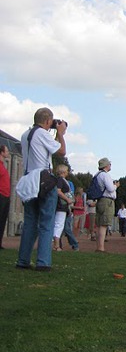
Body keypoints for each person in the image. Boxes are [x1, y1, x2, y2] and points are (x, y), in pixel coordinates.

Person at [16, 107, 67, 271]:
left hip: (28, 178)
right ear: (47, 121)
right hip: (43, 179)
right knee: (46, 221)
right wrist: (60, 134)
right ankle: (43, 262)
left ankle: (23, 260)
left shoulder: (25, 135)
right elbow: (61, 151)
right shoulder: (42, 134)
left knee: (30, 221)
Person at [94, 157, 118, 252]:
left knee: (99, 224)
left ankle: (99, 246)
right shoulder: (105, 175)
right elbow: (111, 189)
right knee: (104, 224)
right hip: (107, 200)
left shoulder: (97, 175)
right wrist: (116, 185)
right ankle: (101, 247)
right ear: (106, 165)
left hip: (100, 200)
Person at [52, 164, 75, 251]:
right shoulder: (60, 180)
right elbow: (58, 191)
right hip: (61, 205)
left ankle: (57, 244)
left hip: (63, 205)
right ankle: (56, 245)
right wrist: (67, 199)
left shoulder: (61, 180)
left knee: (59, 224)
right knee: (59, 224)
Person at [0, 145, 10, 250]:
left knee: (2, 219)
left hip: (6, 195)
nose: (8, 153)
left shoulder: (3, 165)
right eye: (6, 151)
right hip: (1, 195)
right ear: (2, 152)